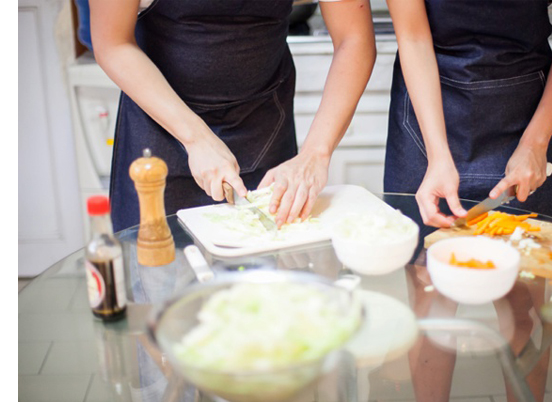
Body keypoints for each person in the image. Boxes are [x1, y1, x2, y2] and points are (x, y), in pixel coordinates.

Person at [90, 0, 375, 231]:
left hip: (265, 132)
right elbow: (112, 42)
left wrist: (316, 154)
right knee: (160, 286)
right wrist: (196, 138)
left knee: (268, 286)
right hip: (159, 131)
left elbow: (354, 38)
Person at [384, 0, 552, 227]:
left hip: (526, 119)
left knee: (530, 251)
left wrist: (534, 143)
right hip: (425, 115)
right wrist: (437, 156)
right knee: (418, 251)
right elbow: (413, 37)